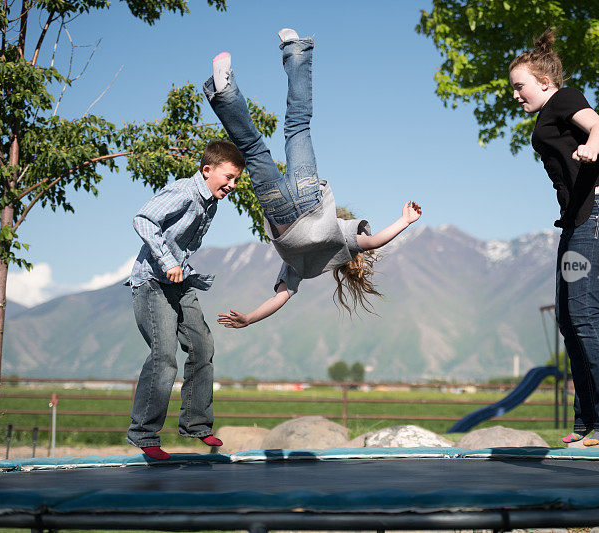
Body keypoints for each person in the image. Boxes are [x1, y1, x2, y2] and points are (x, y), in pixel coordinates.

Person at [203, 29, 421, 329]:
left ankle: (296, 50)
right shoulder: (304, 266)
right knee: (251, 147)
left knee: (298, 125)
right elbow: (280, 297)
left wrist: (405, 221)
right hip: (278, 210)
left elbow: (373, 241)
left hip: (308, 197)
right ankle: (225, 91)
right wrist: (250, 318)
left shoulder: (343, 235)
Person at [509, 29, 599, 446]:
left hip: (598, 214)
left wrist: (592, 147)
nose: (516, 95)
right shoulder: (546, 113)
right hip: (578, 220)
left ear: (543, 81)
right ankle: (589, 416)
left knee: (584, 312)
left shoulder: (565, 98)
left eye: (520, 87)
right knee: (568, 317)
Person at [124, 140, 244, 460]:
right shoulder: (184, 192)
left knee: (203, 346)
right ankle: (144, 432)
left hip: (180, 285)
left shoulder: (211, 203)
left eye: (236, 180)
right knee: (164, 356)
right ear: (207, 170)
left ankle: (196, 424)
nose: (232, 185)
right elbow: (144, 219)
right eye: (228, 177)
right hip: (152, 284)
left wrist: (182, 268)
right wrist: (168, 261)